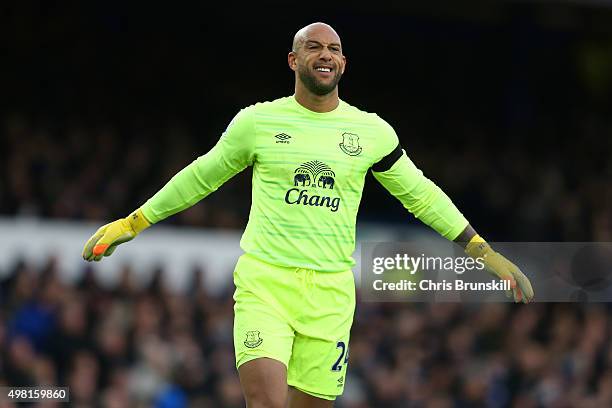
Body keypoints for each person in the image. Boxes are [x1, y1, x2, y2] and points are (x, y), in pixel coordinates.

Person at [82, 22, 534, 408]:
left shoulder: (371, 132)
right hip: (266, 282)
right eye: (313, 47)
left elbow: (421, 195)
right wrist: (133, 222)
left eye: (334, 49)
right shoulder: (256, 123)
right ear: (293, 61)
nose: (325, 54)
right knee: (266, 402)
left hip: (331, 295)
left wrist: (482, 251)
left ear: (343, 65)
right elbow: (201, 176)